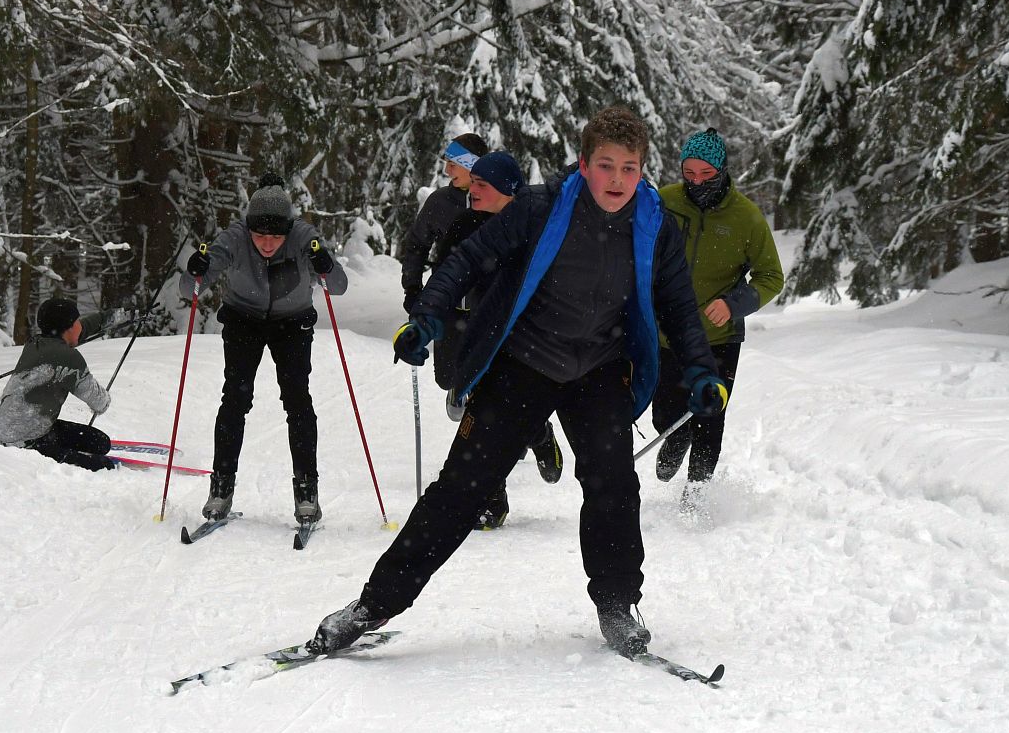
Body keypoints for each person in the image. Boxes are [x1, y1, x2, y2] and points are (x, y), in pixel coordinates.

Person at [305, 104, 728, 660]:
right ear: (584, 165)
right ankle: (372, 605)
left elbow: (678, 305)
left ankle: (617, 606)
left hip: (599, 369)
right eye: (606, 166)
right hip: (523, 364)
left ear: (643, 169)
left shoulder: (655, 226)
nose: (618, 180)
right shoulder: (540, 207)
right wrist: (427, 318)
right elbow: (466, 260)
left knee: (614, 487)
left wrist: (701, 370)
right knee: (461, 489)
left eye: (630, 168)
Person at [184, 181, 350, 527]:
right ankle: (221, 486)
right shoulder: (235, 237)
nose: (268, 244)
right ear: (249, 229)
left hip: (292, 323)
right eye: (260, 236)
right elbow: (191, 289)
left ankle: (306, 490)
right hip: (243, 320)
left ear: (288, 230)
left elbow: (338, 286)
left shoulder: (303, 236)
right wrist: (196, 269)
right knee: (235, 398)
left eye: (276, 237)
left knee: (297, 400)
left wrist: (325, 264)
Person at [650, 129, 784, 507]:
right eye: (689, 173)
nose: (696, 182)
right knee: (666, 413)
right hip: (667, 333)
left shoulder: (746, 217)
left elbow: (771, 277)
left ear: (722, 170)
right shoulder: (665, 202)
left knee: (710, 416)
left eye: (706, 174)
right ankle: (675, 437)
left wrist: (733, 304)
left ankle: (696, 497)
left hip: (718, 338)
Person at [431, 150, 564, 529]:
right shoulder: (463, 224)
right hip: (479, 328)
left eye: (481, 184)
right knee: (484, 413)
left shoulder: (532, 223)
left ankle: (539, 434)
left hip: (524, 331)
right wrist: (434, 308)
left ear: (507, 189)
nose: (472, 190)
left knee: (518, 407)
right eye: (472, 182)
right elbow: (446, 271)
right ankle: (492, 499)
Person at [399, 131, 487, 415]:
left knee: (492, 377)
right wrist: (413, 288)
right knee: (446, 376)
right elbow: (417, 244)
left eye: (453, 164)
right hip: (449, 304)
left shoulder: (494, 200)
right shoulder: (440, 202)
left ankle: (485, 410)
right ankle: (459, 387)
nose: (447, 170)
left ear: (472, 165)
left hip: (486, 304)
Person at [0, 297, 117, 471]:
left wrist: (111, 317)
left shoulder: (34, 343)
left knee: (101, 442)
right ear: (69, 327)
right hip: (25, 442)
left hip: (9, 429)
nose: (80, 325)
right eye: (77, 321)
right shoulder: (69, 358)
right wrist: (106, 399)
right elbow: (99, 402)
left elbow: (78, 332)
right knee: (103, 465)